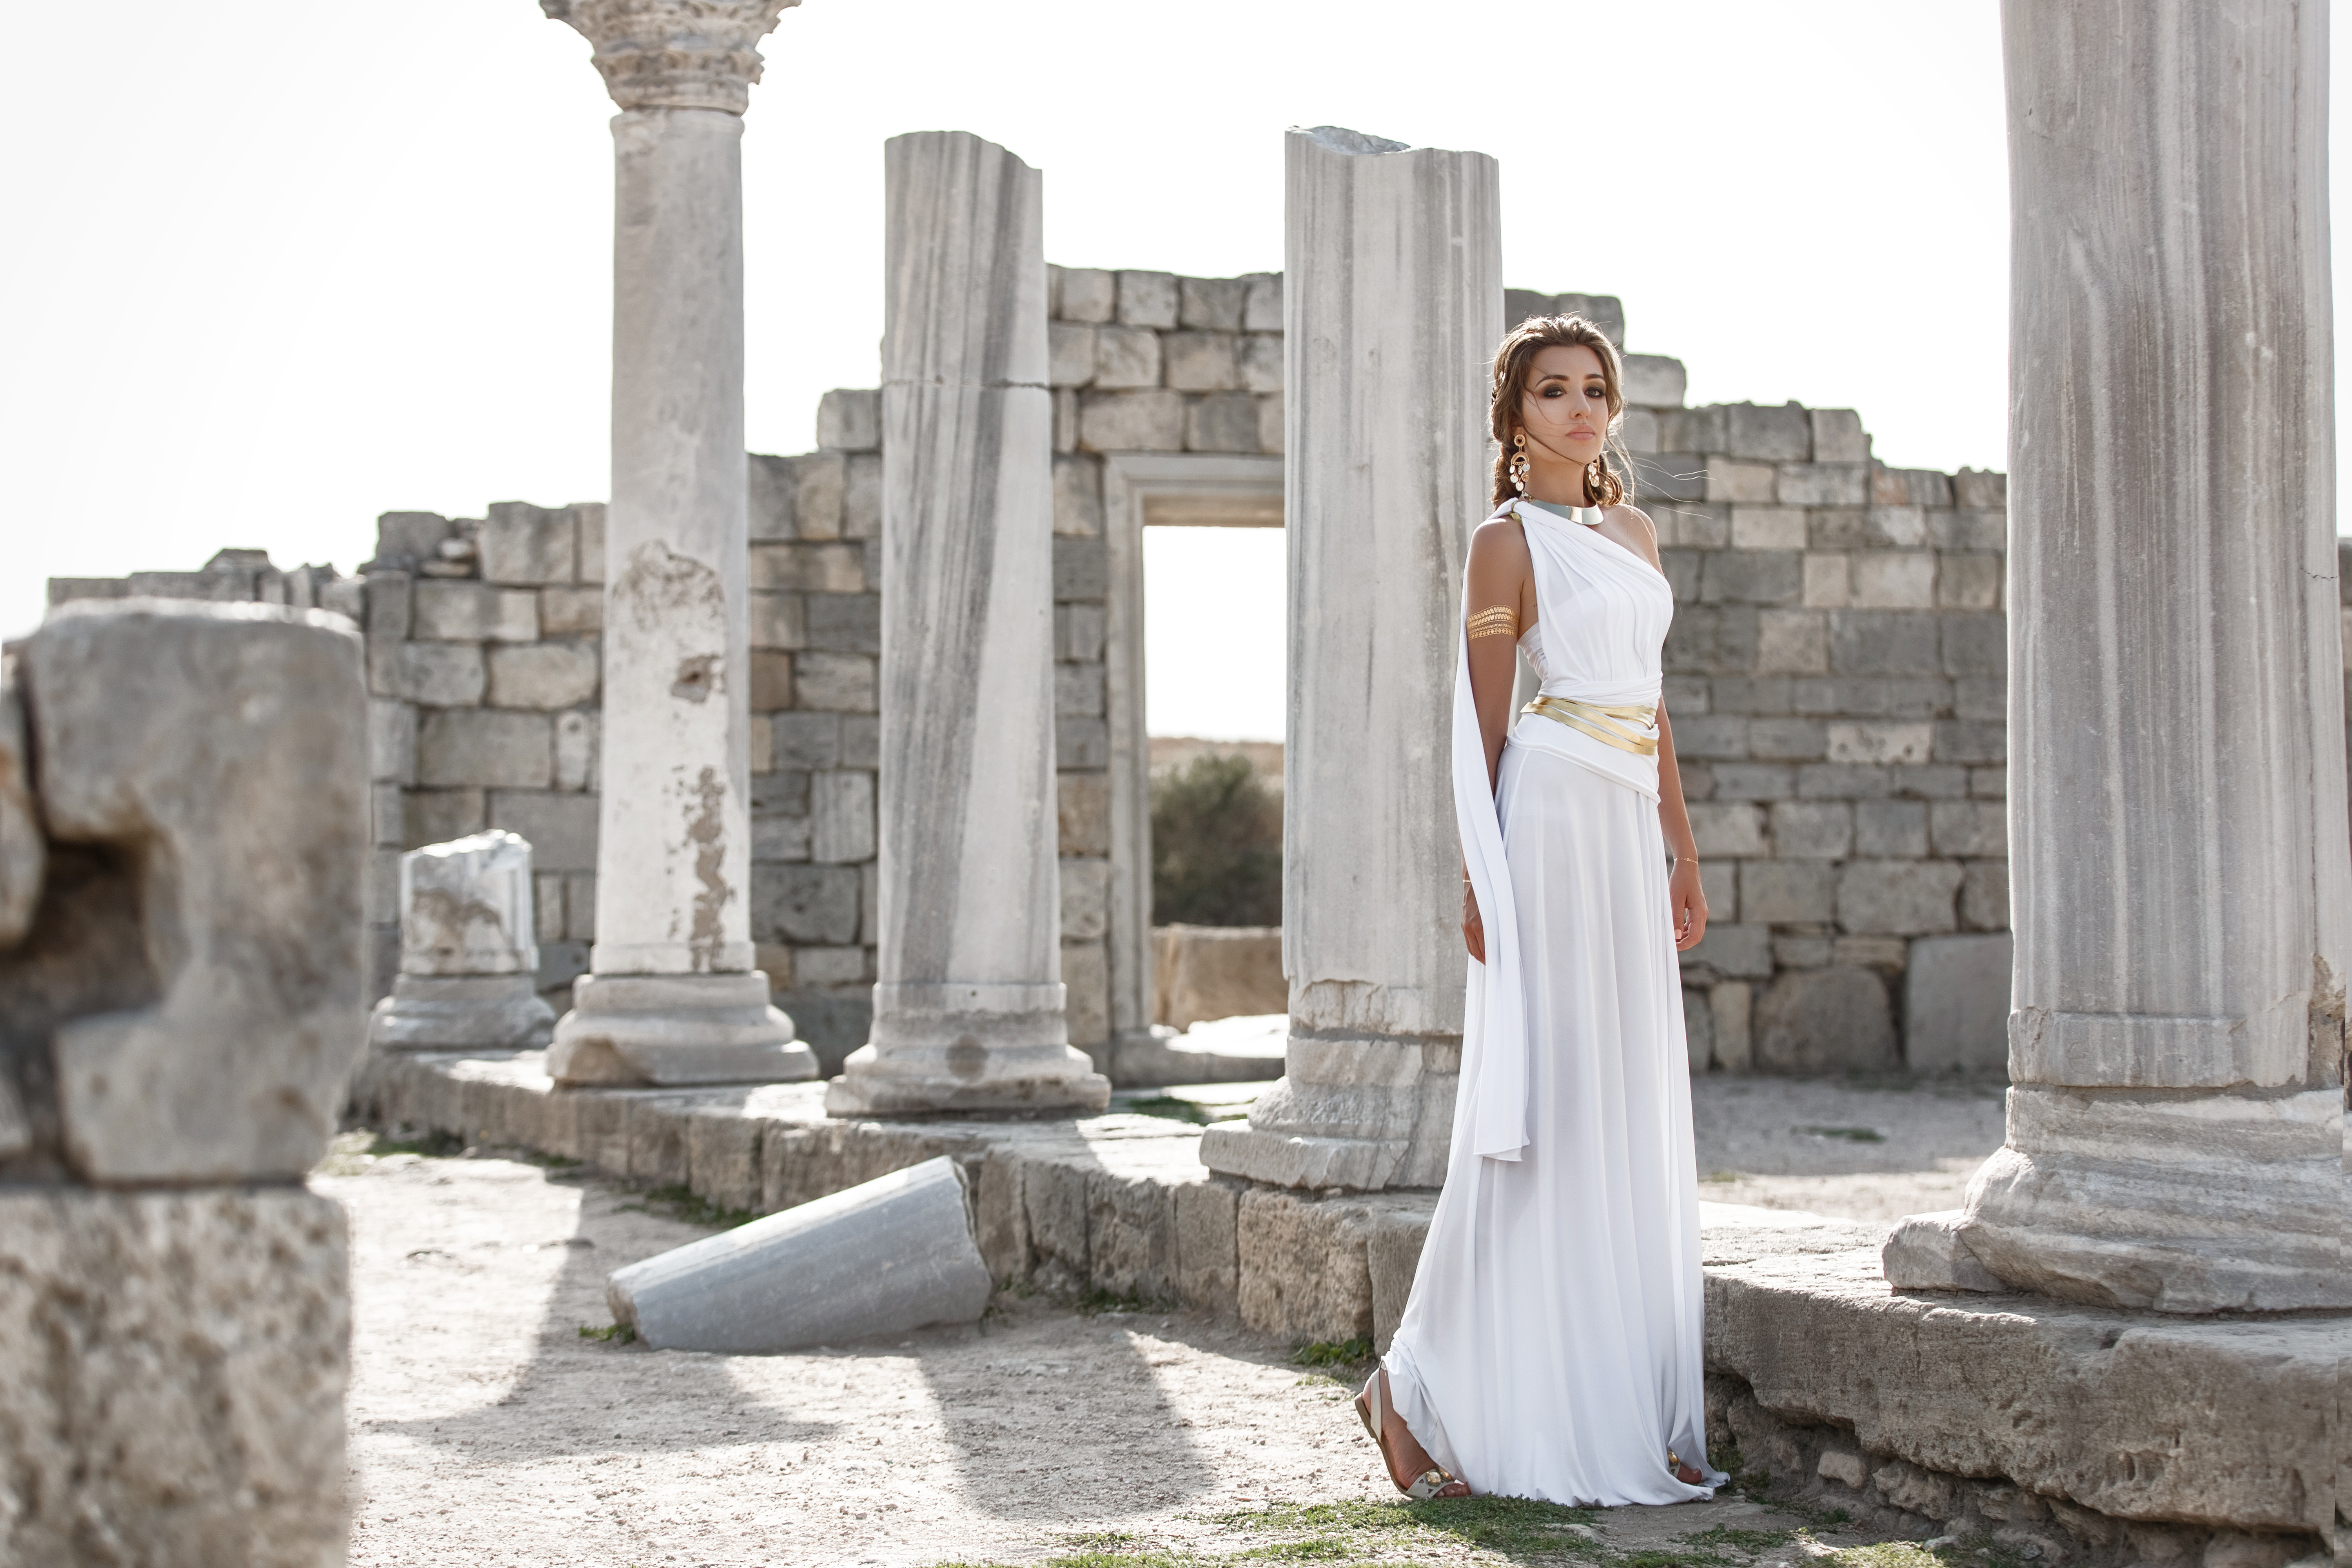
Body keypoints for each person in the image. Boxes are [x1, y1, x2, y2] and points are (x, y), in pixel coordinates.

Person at [1353, 314, 1726, 1506]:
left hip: (1625, 825)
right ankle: (1409, 1391)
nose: (1578, 407)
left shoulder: (1636, 533)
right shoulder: (1502, 544)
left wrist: (1682, 849)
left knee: (1623, 1106)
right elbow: (1482, 718)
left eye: (1594, 389)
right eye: (1552, 391)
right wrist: (1482, 868)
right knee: (1544, 1110)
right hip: (1552, 821)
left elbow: (1652, 708)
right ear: (1514, 417)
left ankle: (1624, 1406)